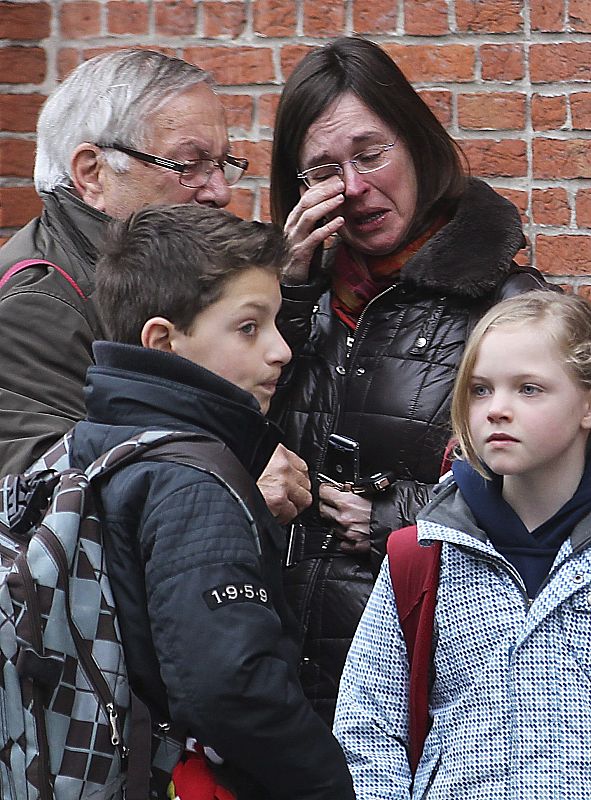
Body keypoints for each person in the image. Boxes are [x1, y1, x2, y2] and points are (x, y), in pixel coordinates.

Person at [268, 34, 551, 725]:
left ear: (418, 144)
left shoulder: (507, 306)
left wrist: (392, 515)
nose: (356, 188)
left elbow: (550, 506)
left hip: (424, 688)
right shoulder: (283, 306)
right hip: (276, 690)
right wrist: (287, 296)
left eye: (371, 154)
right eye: (324, 170)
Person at [69, 203, 355, 800]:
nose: (280, 350)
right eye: (249, 327)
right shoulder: (194, 483)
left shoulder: (100, 439)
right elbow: (230, 684)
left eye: (277, 324)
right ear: (164, 342)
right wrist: (328, 783)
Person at [0, 48, 310, 525]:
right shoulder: (38, 301)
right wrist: (230, 483)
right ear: (92, 173)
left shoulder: (155, 274)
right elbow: (33, 498)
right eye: (189, 164)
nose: (219, 191)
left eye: (222, 163)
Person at [334, 290, 591, 797]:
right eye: (479, 389)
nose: (497, 409)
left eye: (529, 389)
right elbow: (367, 730)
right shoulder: (422, 556)